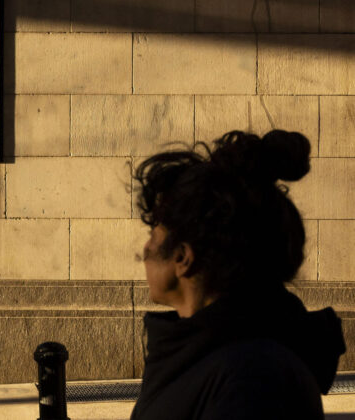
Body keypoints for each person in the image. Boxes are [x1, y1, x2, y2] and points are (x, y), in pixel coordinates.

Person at [130, 130, 345, 420]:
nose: (145, 248)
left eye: (154, 230)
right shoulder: (208, 357)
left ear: (183, 257)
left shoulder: (252, 378)